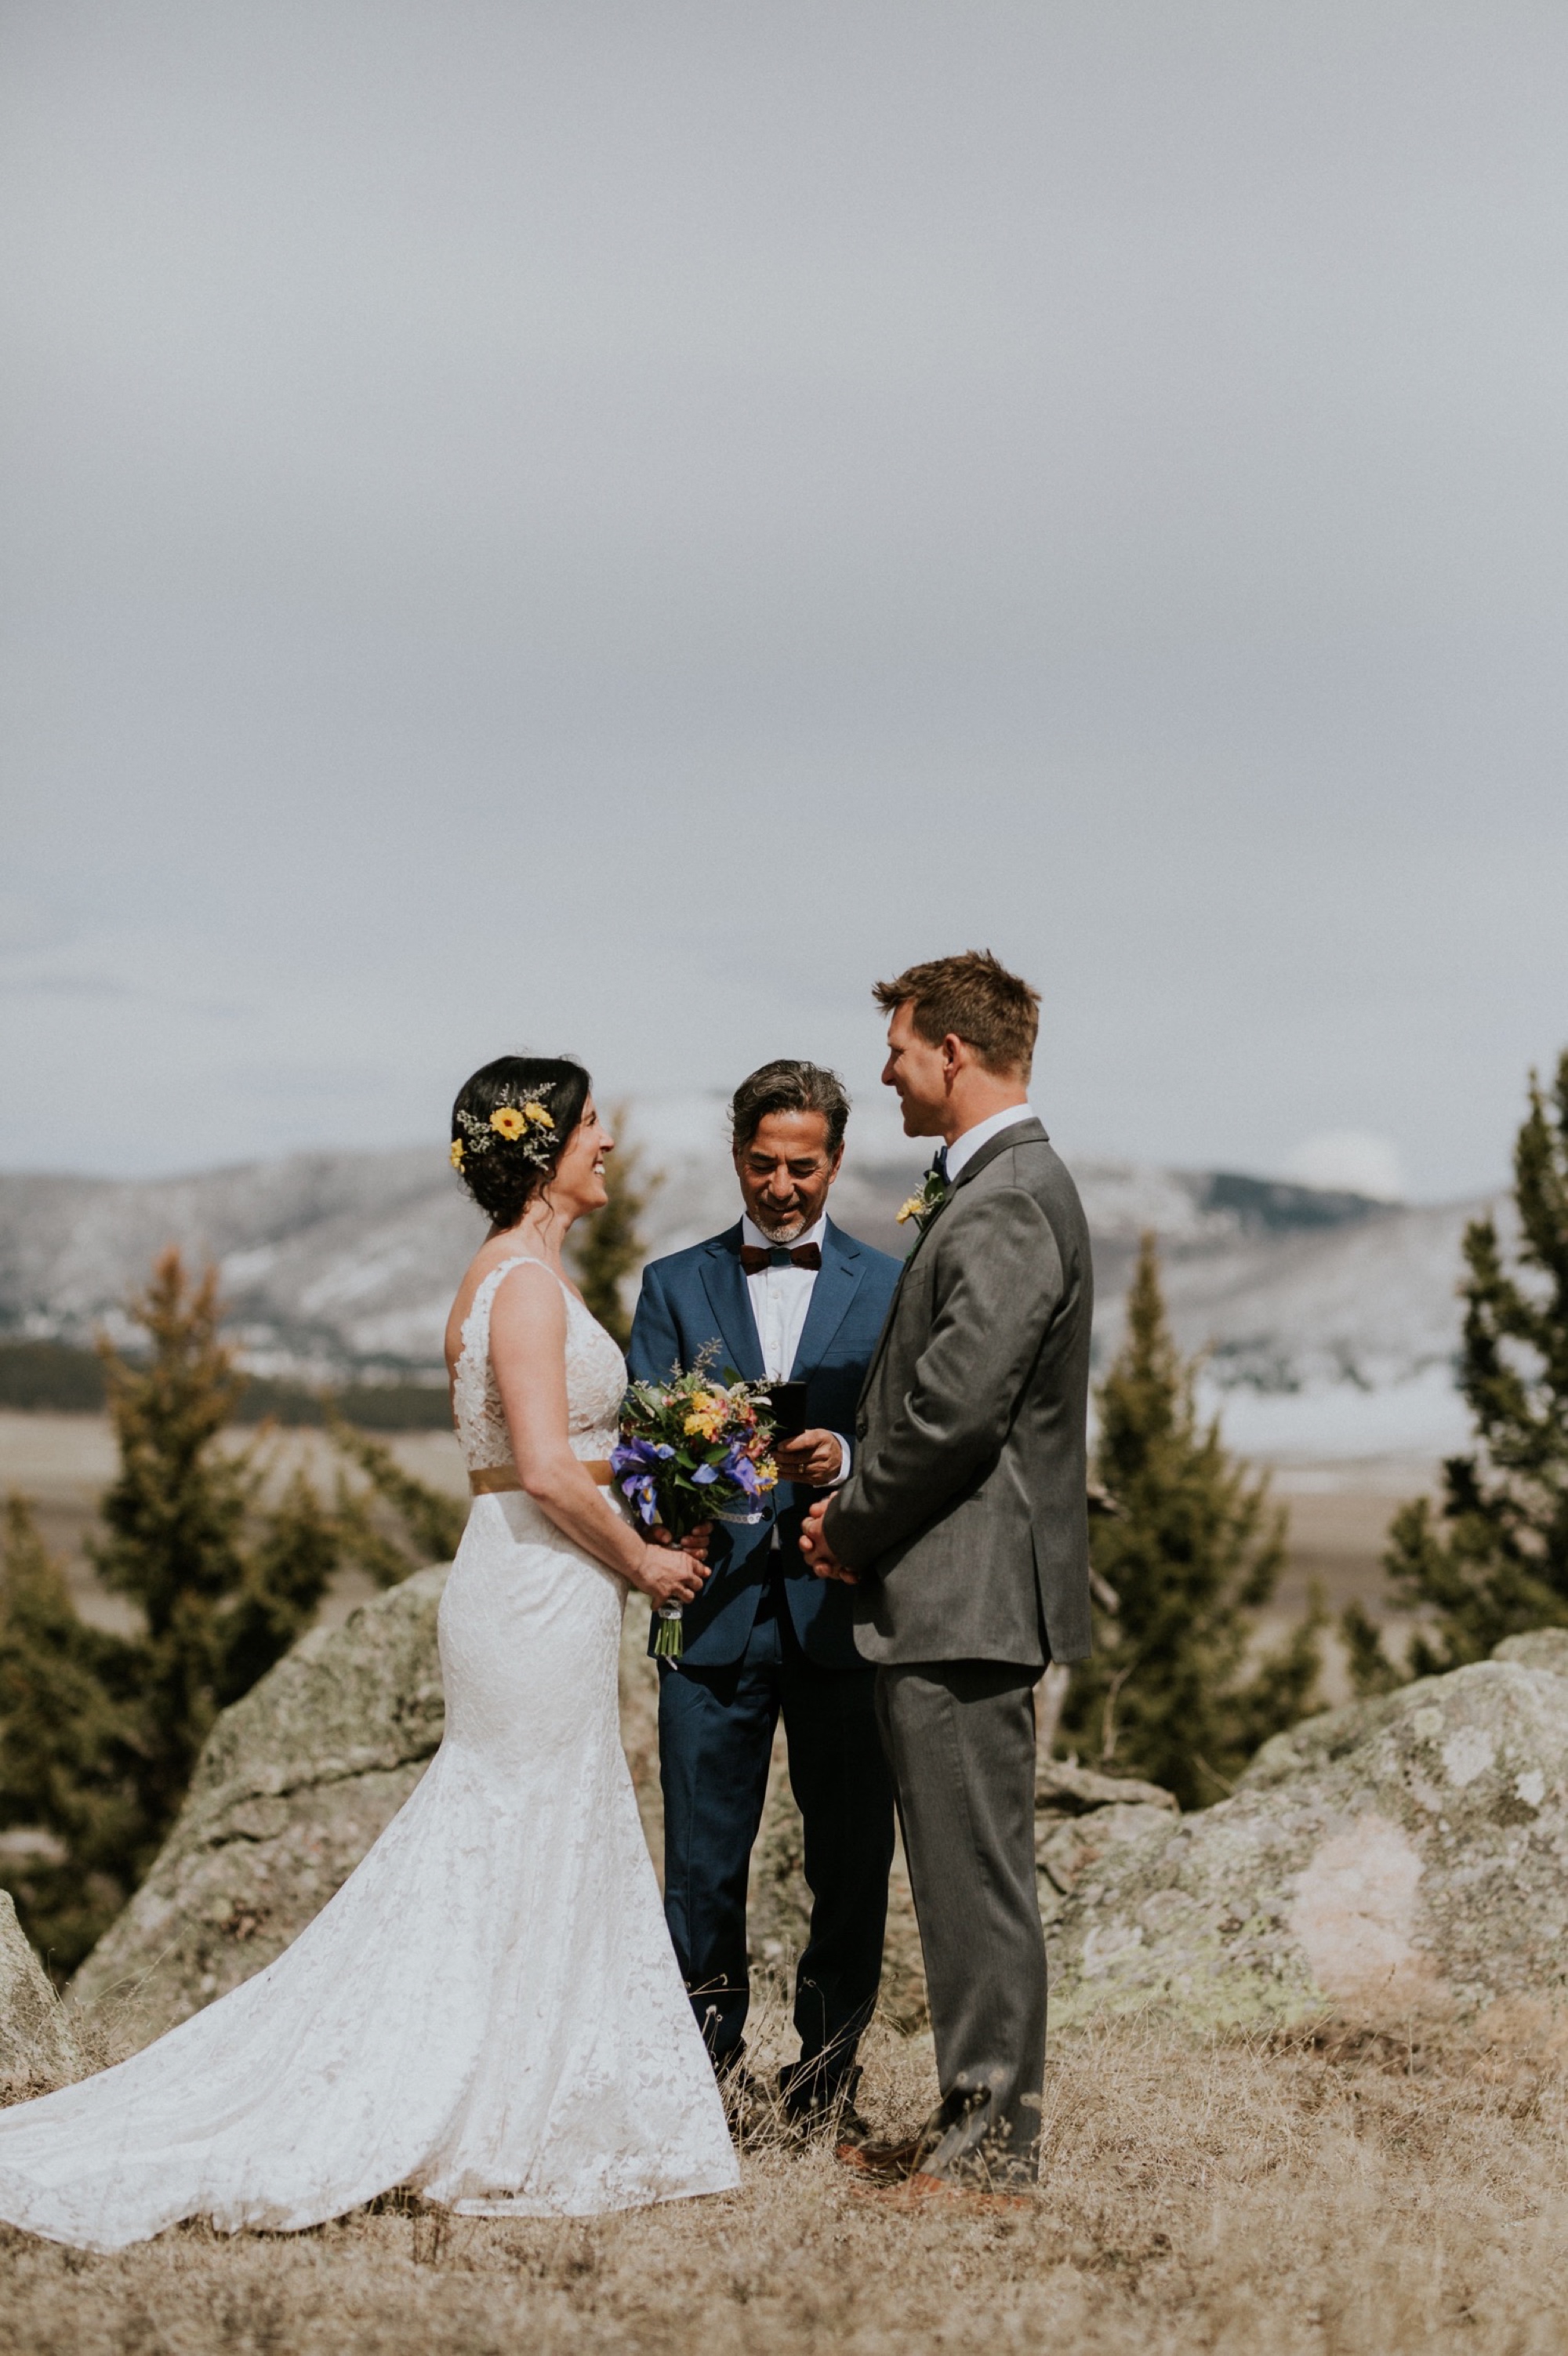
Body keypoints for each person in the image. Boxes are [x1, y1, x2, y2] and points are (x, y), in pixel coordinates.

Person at [0, 1057, 739, 2252]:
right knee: (522, 1819)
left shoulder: (498, 1278)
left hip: (522, 1572)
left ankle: (510, 2087)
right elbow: (547, 1468)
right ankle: (484, 2106)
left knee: (525, 1824)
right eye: (591, 1120)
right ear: (545, 1145)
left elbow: (544, 1462)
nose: (608, 1139)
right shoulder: (532, 1290)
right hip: (537, 1584)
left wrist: (657, 1497)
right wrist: (648, 1560)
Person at [800, 953, 1094, 2202]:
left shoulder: (1010, 1199)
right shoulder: (984, 1190)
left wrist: (850, 1521)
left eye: (904, 1049)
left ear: (957, 1056)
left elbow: (955, 1411)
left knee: (976, 1879)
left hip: (964, 1593)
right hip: (952, 1589)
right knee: (963, 1873)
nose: (887, 1070)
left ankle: (990, 2160)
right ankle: (971, 2125)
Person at [628, 1061, 902, 2133]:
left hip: (844, 1614)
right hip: (711, 1612)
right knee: (699, 1863)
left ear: (835, 1159)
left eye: (802, 1165)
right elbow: (643, 1446)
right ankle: (698, 2073)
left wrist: (846, 1451)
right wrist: (694, 1476)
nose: (781, 1185)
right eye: (761, 1163)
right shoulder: (672, 1283)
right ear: (735, 1154)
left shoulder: (891, 1283)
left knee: (850, 1862)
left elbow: (920, 1434)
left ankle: (826, 2077)